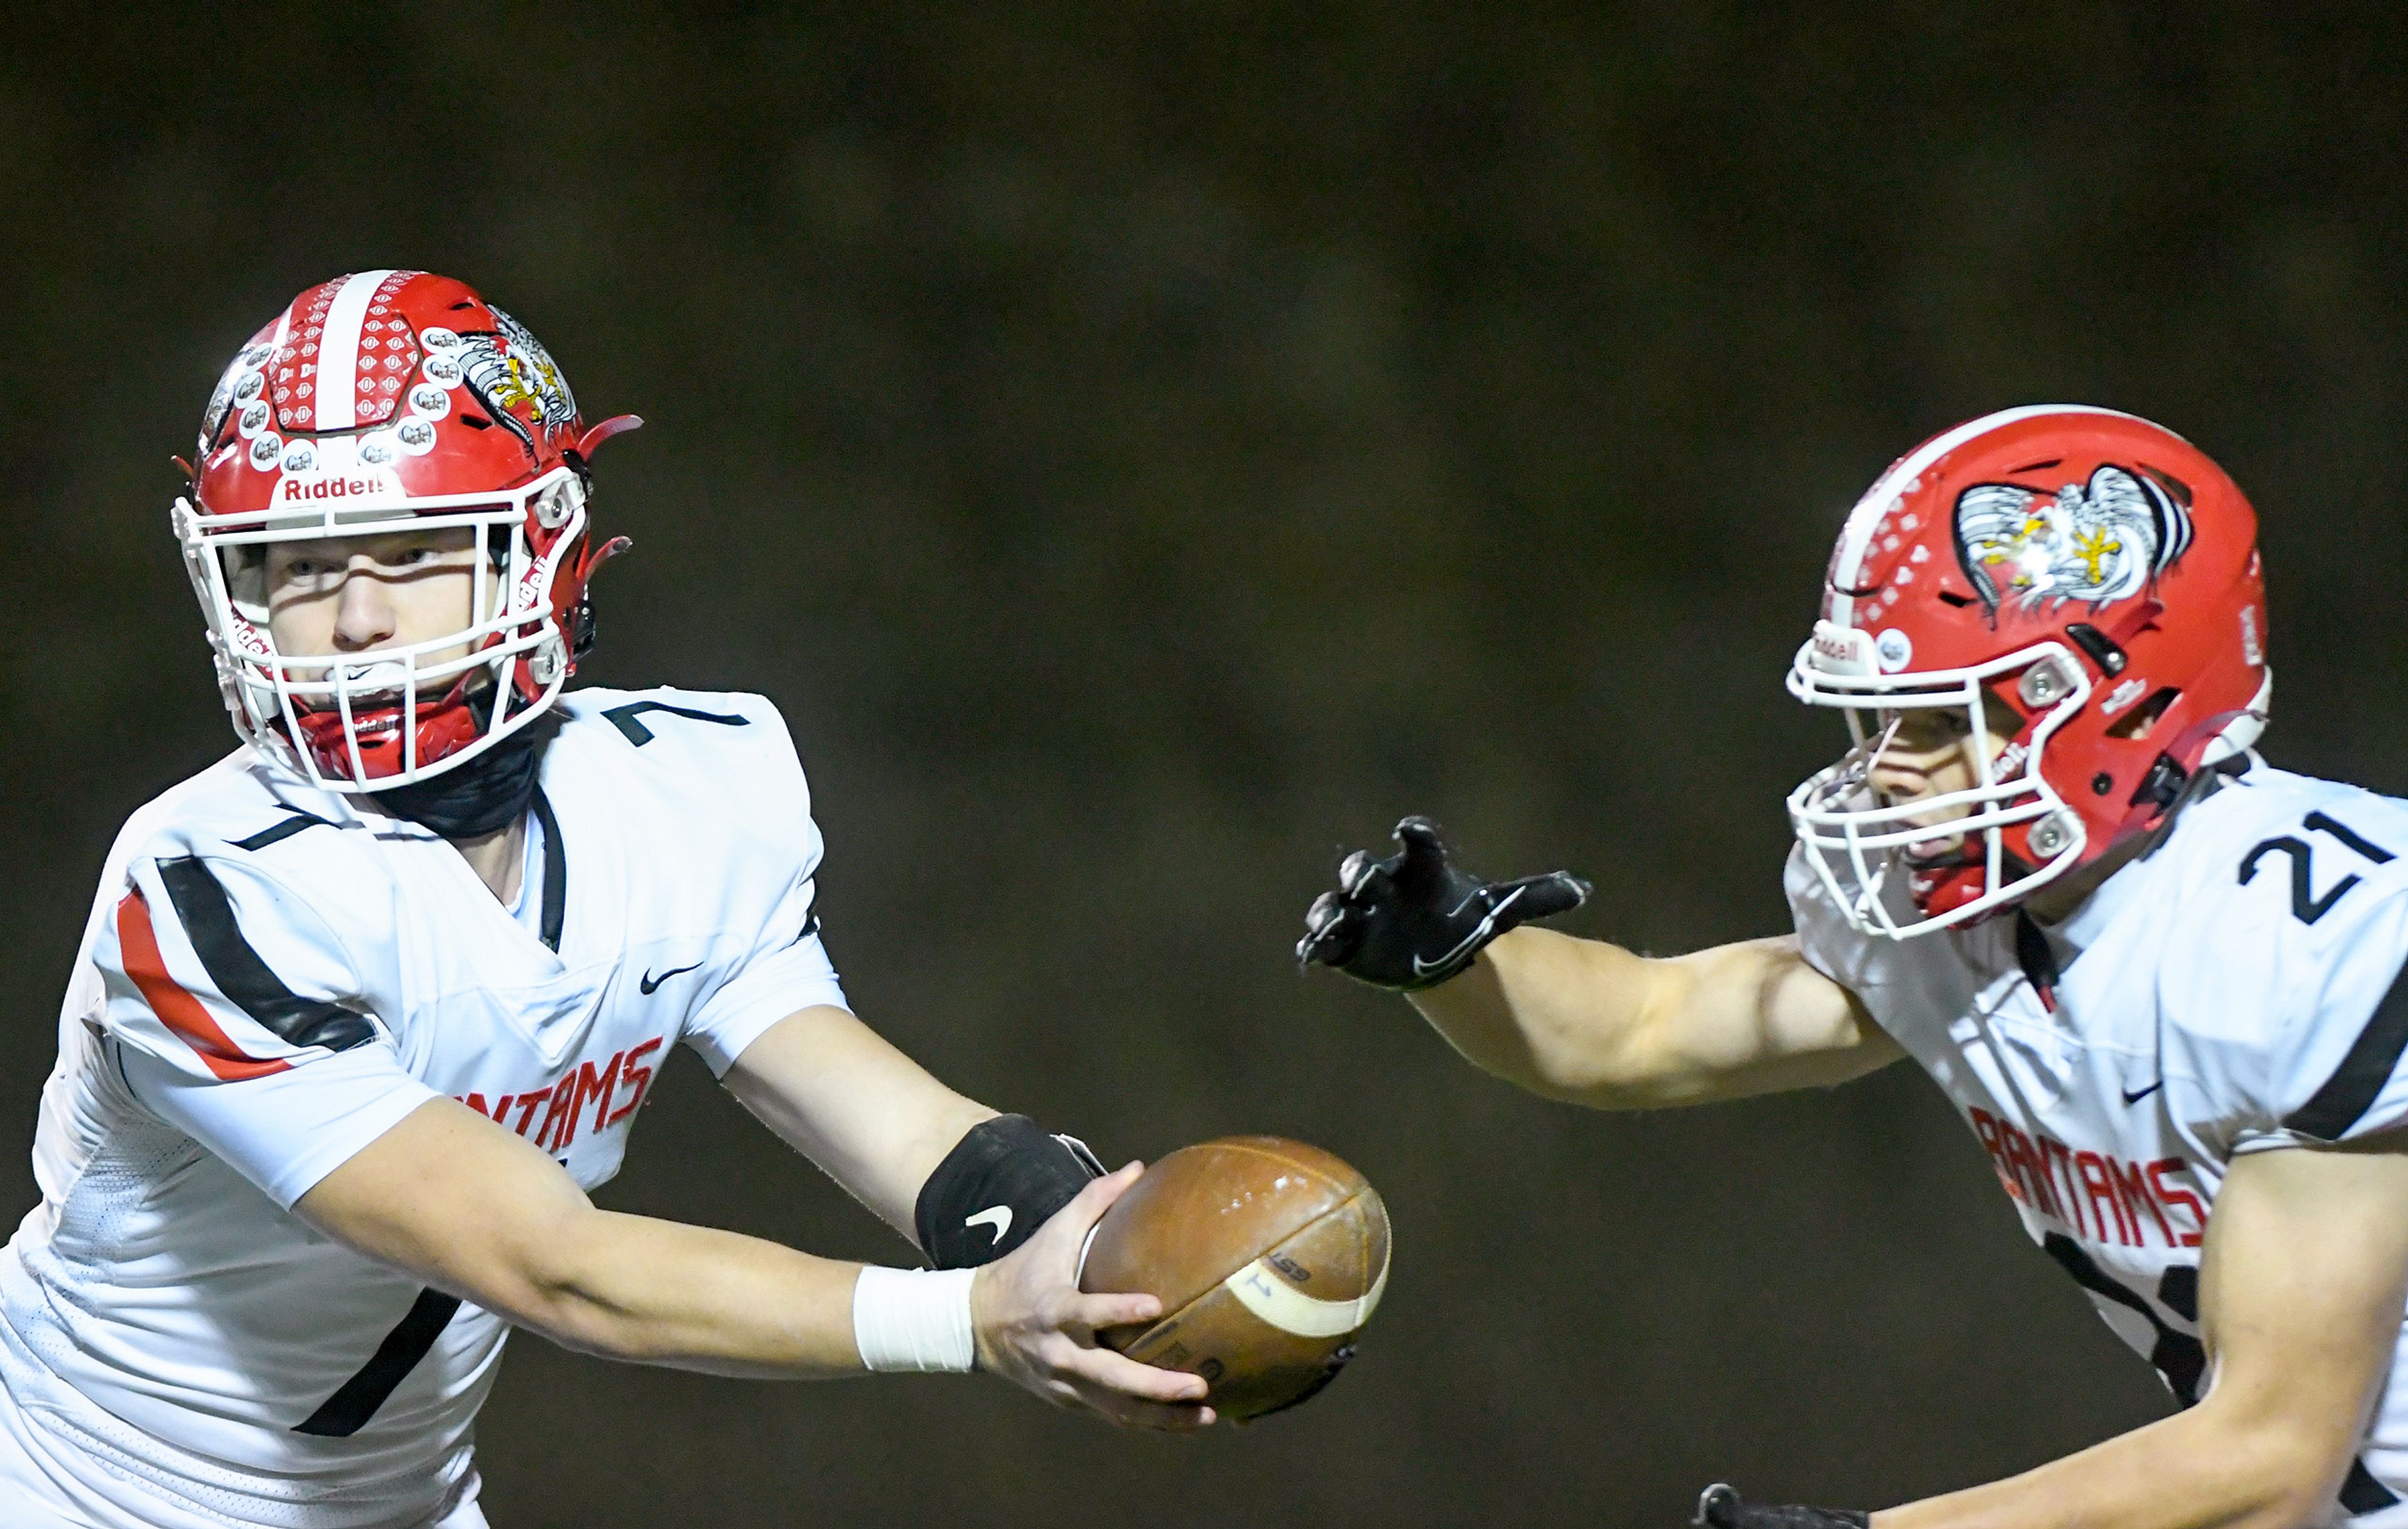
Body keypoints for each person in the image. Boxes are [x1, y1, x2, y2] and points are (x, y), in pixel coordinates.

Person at [0, 270, 1210, 1529]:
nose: (355, 619)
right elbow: (558, 1268)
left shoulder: (677, 789)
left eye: (411, 551)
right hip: (87, 1495)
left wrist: (1085, 1235)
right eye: (298, 565)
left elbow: (878, 1114)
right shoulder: (212, 889)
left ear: (540, 546)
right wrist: (966, 1318)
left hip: (406, 1502)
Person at [1300, 405, 2408, 1529]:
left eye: (1940, 721)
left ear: (2122, 700)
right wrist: (1448, 962)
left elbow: (2271, 1462)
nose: (1886, 774)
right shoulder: (1964, 907)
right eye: (1876, 721)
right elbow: (1638, 1030)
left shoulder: (2313, 938)